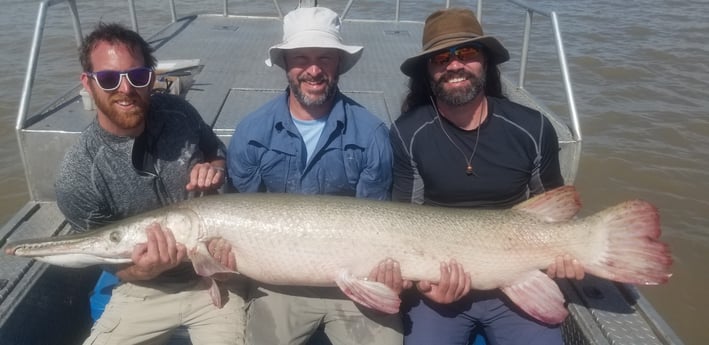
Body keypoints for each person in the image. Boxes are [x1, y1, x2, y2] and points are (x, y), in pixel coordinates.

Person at [390, 8, 584, 345]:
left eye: (466, 53)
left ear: (485, 62)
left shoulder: (532, 127)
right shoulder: (408, 133)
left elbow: (556, 210)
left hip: (519, 279)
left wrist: (568, 256)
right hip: (441, 290)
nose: (453, 65)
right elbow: (402, 225)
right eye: (440, 58)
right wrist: (426, 286)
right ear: (428, 71)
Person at [55, 22, 244, 345]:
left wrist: (215, 167)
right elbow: (110, 260)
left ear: (151, 79)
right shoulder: (78, 177)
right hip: (144, 290)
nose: (126, 89)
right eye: (109, 79)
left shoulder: (179, 112)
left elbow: (215, 148)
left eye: (137, 76)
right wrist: (143, 270)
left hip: (218, 279)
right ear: (88, 83)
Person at [227, 6, 404, 345]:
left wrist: (386, 273)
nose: (313, 70)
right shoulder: (251, 132)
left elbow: (378, 223)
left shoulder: (371, 135)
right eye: (301, 58)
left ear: (339, 64)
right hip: (279, 284)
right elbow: (240, 213)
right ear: (285, 64)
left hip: (357, 278)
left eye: (325, 58)